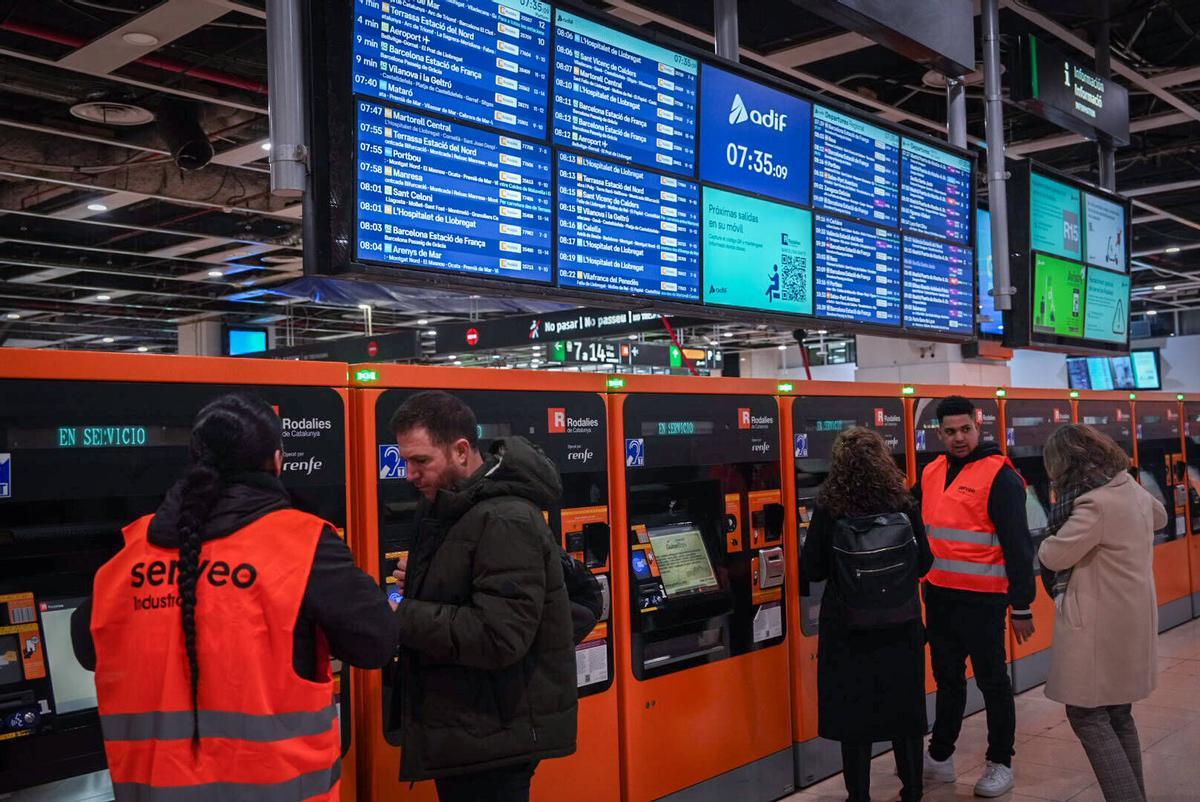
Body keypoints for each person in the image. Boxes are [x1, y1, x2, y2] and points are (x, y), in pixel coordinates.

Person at [71, 394, 399, 802]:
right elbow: (376, 643)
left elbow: (88, 648)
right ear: (277, 461)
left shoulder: (131, 551)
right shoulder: (302, 544)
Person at [388, 390, 577, 802]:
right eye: (405, 460)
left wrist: (403, 614)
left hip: (494, 733)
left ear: (460, 451)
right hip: (469, 724)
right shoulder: (447, 507)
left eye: (420, 460)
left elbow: (500, 635)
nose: (409, 474)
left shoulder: (506, 518)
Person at [801, 427, 933, 802]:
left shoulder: (830, 507)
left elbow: (813, 569)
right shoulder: (903, 501)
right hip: (901, 623)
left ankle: (858, 794)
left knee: (853, 717)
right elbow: (925, 561)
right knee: (904, 713)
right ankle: (913, 789)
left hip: (848, 628)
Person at [1039, 424, 1166, 802]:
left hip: (1098, 624)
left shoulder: (1095, 504)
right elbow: (1160, 516)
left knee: (1086, 715)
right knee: (1118, 712)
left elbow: (1053, 554)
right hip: (1129, 618)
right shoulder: (1127, 488)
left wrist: (1048, 535)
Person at [918, 396, 1036, 798]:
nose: (958, 438)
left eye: (965, 429)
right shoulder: (931, 471)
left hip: (984, 599)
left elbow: (1019, 546)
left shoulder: (999, 475)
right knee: (947, 679)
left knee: (992, 683)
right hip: (939, 596)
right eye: (950, 431)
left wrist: (1022, 605)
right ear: (938, 433)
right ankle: (940, 757)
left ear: (978, 425)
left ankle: (1000, 762)